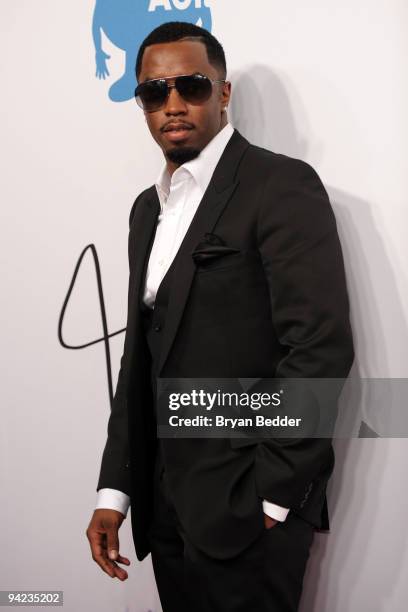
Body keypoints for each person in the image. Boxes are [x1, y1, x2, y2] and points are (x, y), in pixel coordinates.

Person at [86, 21, 354, 612]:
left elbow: (318, 348)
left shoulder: (279, 185)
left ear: (224, 92)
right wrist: (116, 491)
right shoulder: (145, 211)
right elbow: (141, 359)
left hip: (247, 510)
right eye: (155, 92)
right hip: (165, 510)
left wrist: (274, 495)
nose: (173, 104)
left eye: (192, 86)